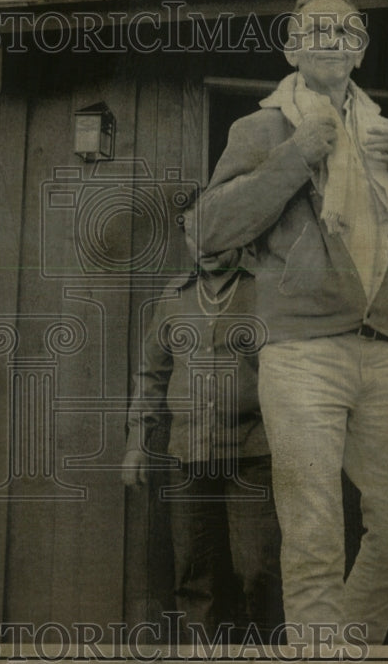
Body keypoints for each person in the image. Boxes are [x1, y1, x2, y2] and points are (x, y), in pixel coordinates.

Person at [185, 0, 388, 648]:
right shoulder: (261, 128)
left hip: (383, 349)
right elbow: (211, 230)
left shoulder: (387, 133)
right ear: (292, 49)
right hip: (301, 352)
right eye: (316, 30)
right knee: (314, 539)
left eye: (345, 30)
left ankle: (335, 653)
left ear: (360, 50)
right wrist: (298, 152)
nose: (331, 40)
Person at [122, 245, 282, 642]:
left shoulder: (265, 288)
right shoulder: (174, 297)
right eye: (199, 235)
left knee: (257, 570)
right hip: (189, 455)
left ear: (239, 235)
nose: (209, 246)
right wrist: (136, 444)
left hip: (253, 453)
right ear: (188, 238)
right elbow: (151, 374)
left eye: (219, 233)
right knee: (195, 575)